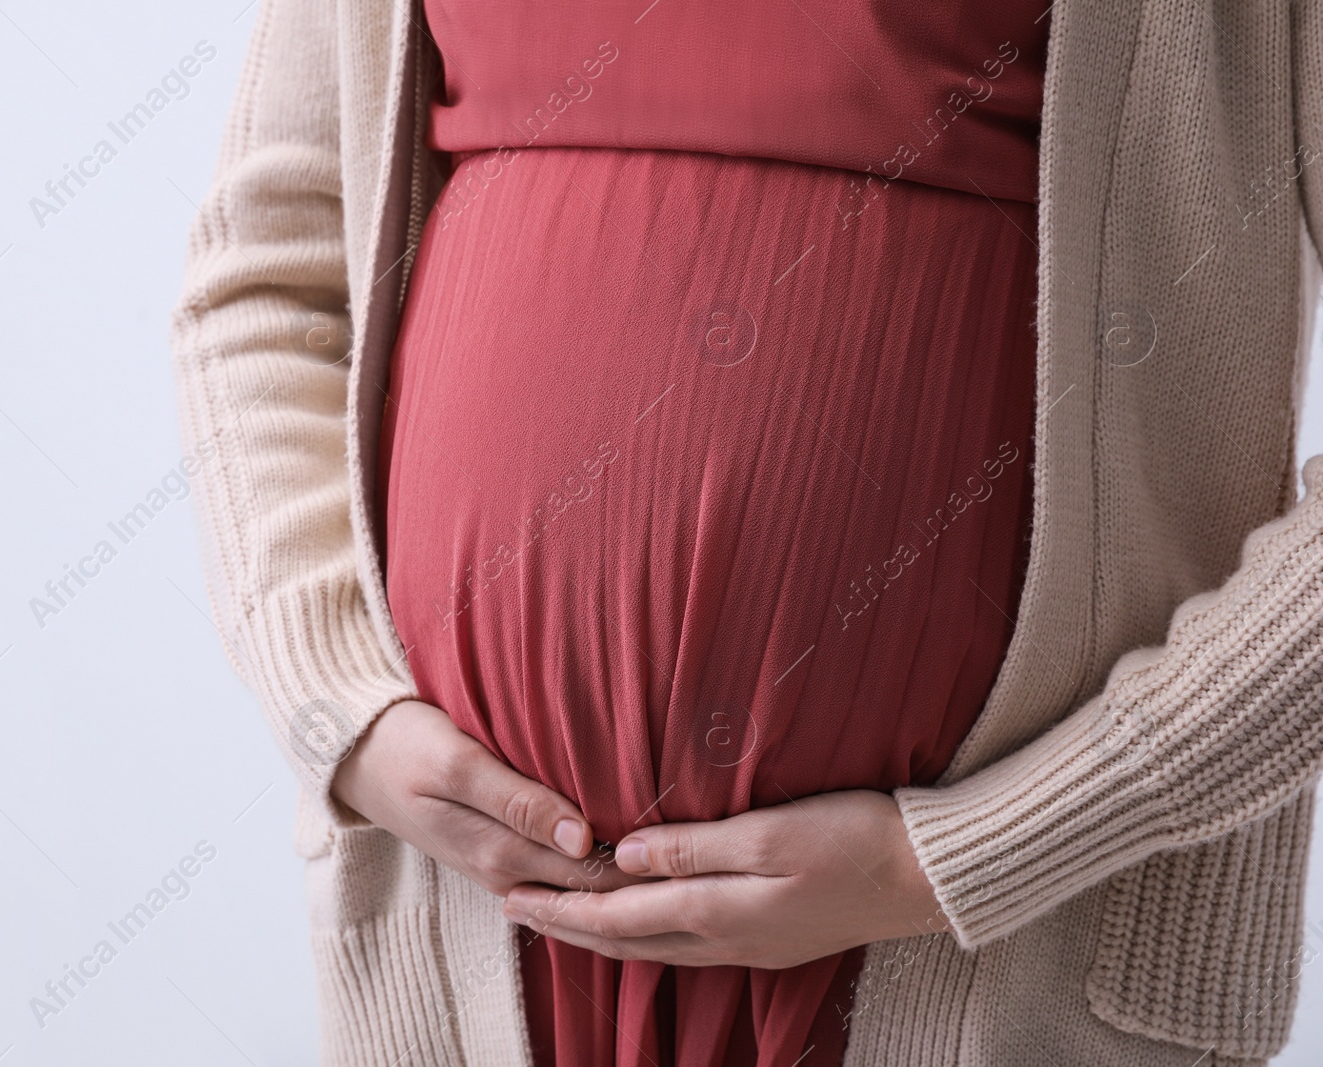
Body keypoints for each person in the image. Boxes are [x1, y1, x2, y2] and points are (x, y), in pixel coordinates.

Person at [170, 1, 1323, 1064]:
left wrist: (980, 850)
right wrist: (339, 707)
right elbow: (268, 282)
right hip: (479, 933)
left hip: (1007, 948)